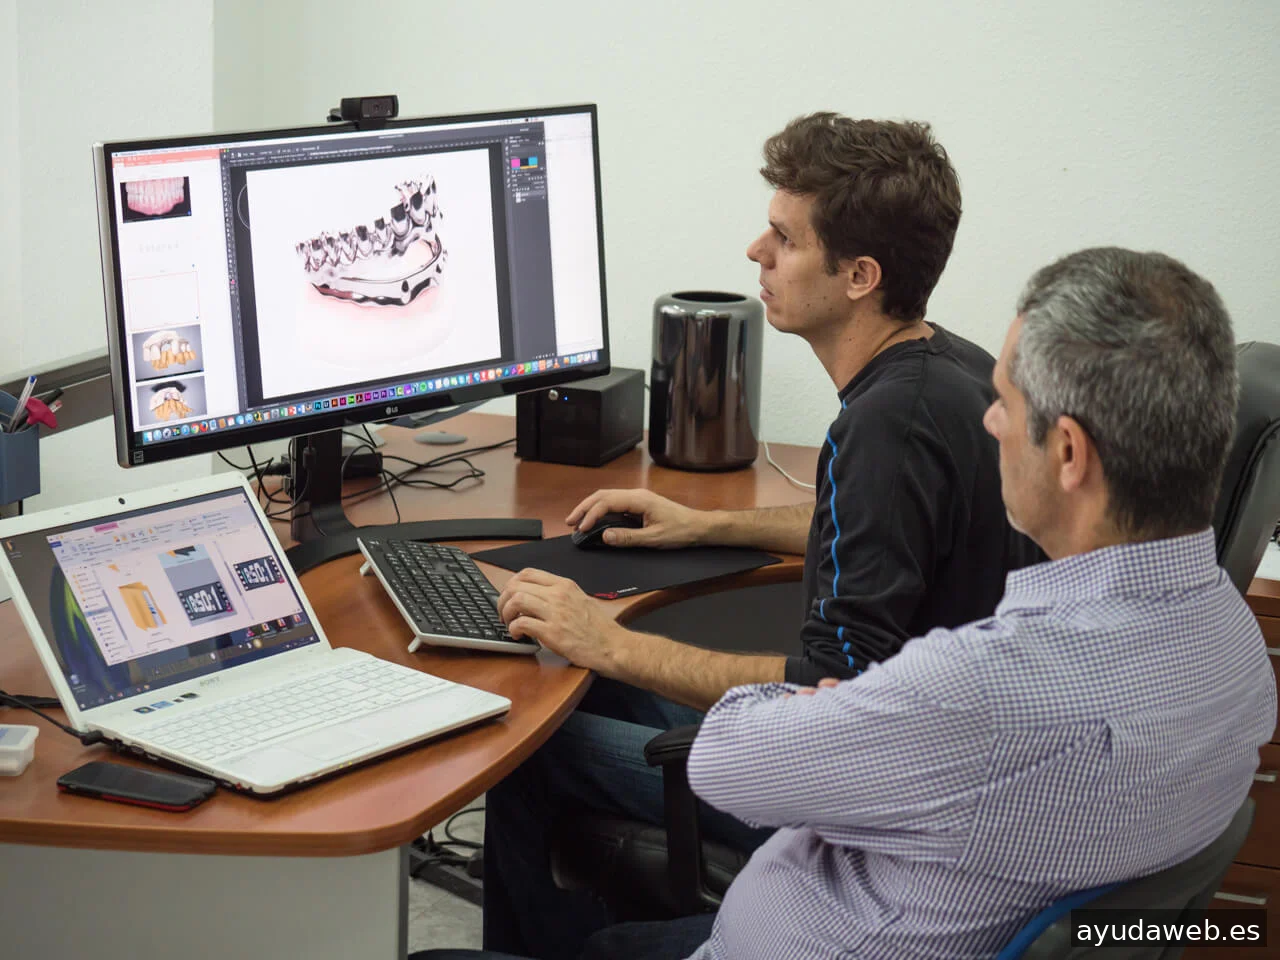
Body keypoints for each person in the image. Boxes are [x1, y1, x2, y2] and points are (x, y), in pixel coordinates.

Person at [417, 248, 1276, 960]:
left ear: (1070, 454)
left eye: (1008, 406)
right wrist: (851, 709)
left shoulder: (979, 685)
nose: (989, 424)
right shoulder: (1234, 647)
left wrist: (842, 707)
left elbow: (728, 765)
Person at [480, 112, 1040, 960]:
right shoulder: (949, 368)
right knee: (574, 688)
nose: (756, 252)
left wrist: (611, 641)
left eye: (785, 238)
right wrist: (708, 524)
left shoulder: (885, 426)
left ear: (859, 276)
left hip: (858, 799)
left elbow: (831, 682)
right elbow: (877, 528)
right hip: (941, 770)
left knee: (521, 739)